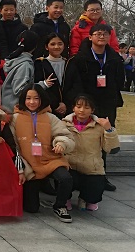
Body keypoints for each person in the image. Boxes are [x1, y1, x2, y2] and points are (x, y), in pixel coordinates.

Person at [64, 23, 124, 192]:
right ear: (90, 37)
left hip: (106, 105)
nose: (102, 36)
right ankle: (76, 176)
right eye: (98, 33)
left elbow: (120, 81)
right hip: (84, 105)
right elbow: (71, 83)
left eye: (105, 34)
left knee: (103, 139)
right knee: (81, 139)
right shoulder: (78, 59)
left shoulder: (115, 59)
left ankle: (100, 176)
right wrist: (81, 103)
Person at [10, 85, 75, 221]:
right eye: (28, 98)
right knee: (31, 208)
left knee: (65, 178)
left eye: (36, 98)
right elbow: (13, 145)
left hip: (50, 160)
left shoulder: (50, 117)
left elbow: (65, 135)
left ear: (42, 100)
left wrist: (61, 144)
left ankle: (60, 205)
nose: (32, 102)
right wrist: (21, 168)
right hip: (29, 165)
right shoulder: (15, 118)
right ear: (23, 99)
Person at [63, 95, 120, 211]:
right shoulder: (64, 124)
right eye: (78, 106)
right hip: (70, 165)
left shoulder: (99, 126)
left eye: (87, 107)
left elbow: (112, 149)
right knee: (63, 178)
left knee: (95, 191)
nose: (82, 110)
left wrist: (109, 130)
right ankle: (65, 198)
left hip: (92, 167)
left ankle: (85, 198)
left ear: (92, 110)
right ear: (73, 108)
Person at [1, 30, 38, 113]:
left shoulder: (16, 59)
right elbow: (19, 90)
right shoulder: (25, 65)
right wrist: (43, 85)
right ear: (35, 46)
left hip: (9, 106)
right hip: (14, 109)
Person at [34, 33, 67, 117]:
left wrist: (66, 104)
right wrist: (55, 105)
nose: (56, 47)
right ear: (46, 47)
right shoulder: (40, 63)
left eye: (60, 44)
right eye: (52, 44)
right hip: (48, 107)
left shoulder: (68, 63)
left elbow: (74, 85)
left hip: (68, 107)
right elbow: (37, 86)